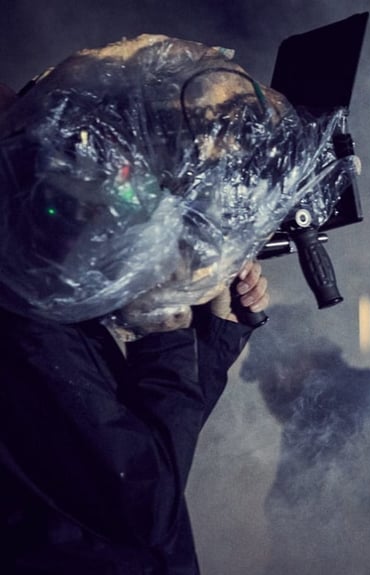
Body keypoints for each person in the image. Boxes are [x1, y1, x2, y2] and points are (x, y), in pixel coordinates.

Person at [0, 81, 272, 574]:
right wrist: (162, 326)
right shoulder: (25, 326)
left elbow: (155, 436)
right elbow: (148, 504)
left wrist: (214, 330)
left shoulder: (46, 298)